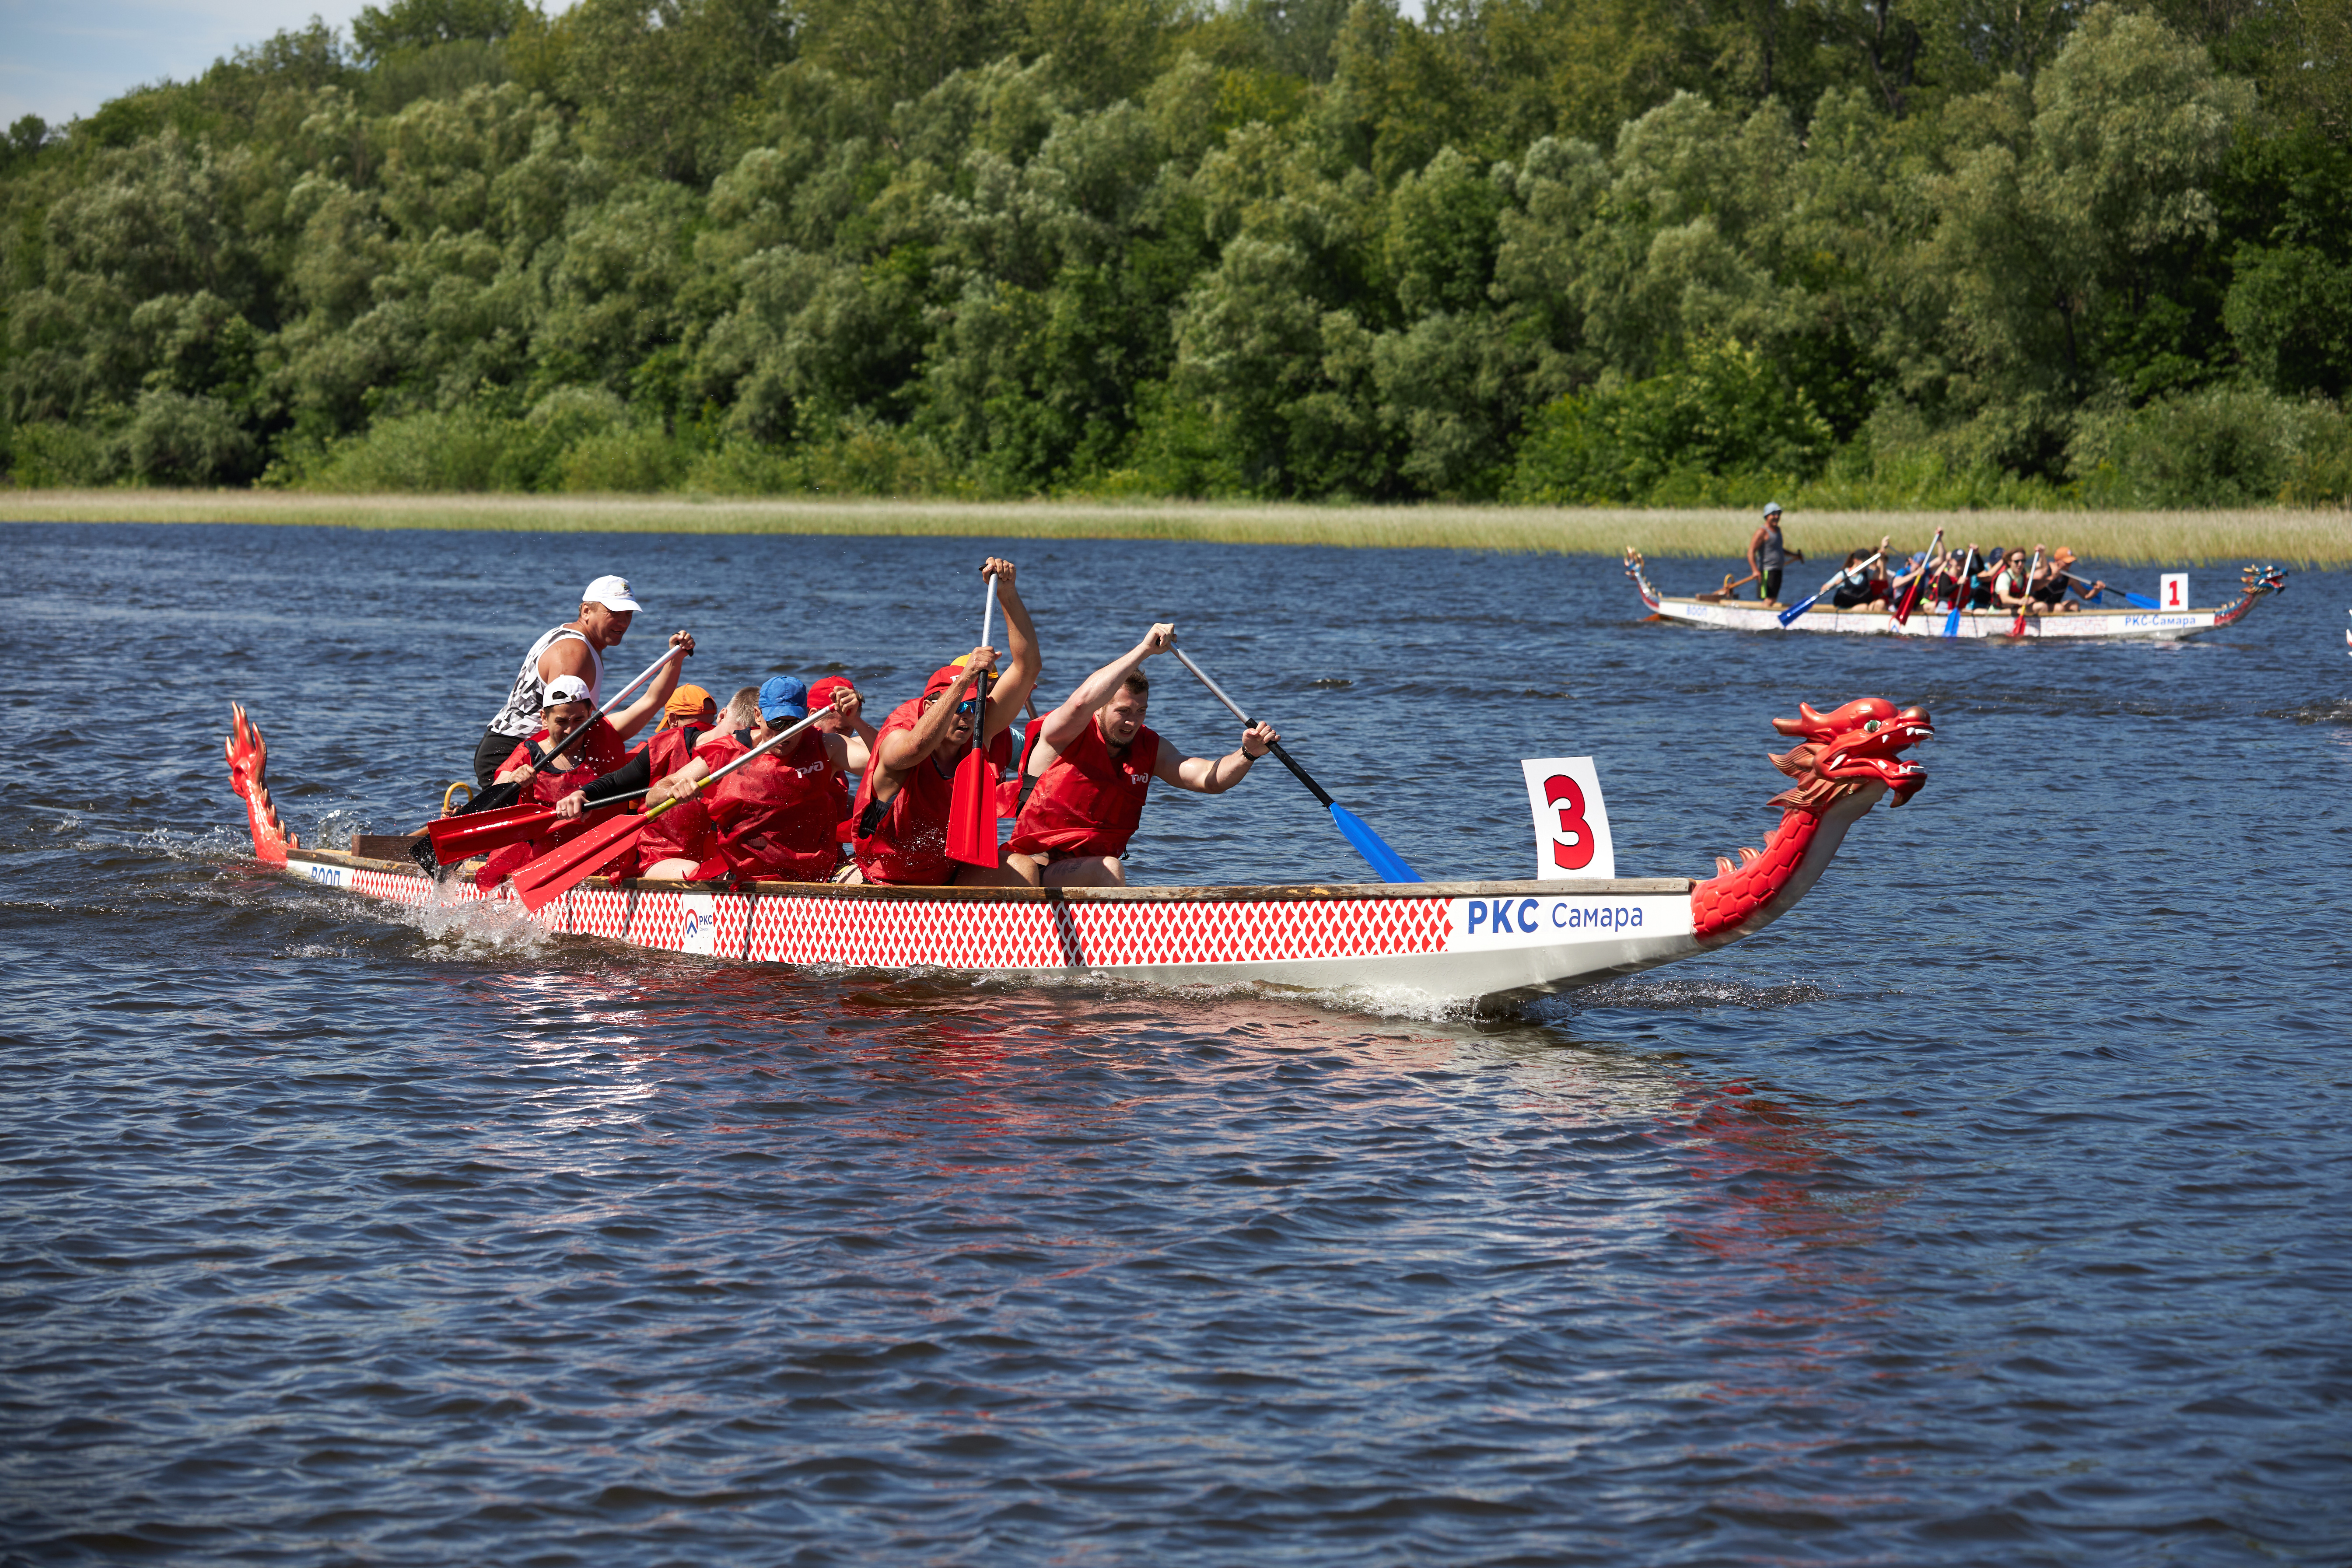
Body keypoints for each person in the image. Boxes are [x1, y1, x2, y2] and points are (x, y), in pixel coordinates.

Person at [1004, 623, 1279, 887]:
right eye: (1123, 711)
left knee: (1108, 868)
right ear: (1099, 708)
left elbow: (1208, 779)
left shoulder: (1148, 746)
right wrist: (1144, 650)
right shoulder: (1062, 734)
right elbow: (1079, 703)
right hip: (1032, 866)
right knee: (1108, 869)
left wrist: (1247, 754)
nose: (1132, 722)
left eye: (1141, 712)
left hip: (1086, 871)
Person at [851, 558, 1040, 887]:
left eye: (975, 707)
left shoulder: (980, 729)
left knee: (1023, 867)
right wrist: (966, 676)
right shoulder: (900, 735)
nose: (968, 715)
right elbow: (914, 750)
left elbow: (1027, 667)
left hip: (949, 874)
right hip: (886, 880)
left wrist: (1008, 594)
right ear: (928, 707)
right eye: (959, 705)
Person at [473, 574, 694, 788]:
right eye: (614, 612)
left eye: (629, 614)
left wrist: (676, 658)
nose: (624, 622)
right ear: (587, 610)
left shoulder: (581, 642)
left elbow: (652, 701)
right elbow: (563, 724)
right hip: (517, 759)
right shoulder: (574, 652)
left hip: (536, 750)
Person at [473, 675, 633, 889]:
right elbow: (496, 792)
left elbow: (652, 700)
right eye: (561, 721)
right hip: (543, 853)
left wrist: (677, 658)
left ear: (590, 716)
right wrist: (514, 779)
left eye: (579, 720)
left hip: (598, 849)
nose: (570, 730)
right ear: (544, 718)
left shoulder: (604, 737)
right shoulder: (529, 754)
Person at [1746, 503, 1803, 605]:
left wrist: (1794, 555)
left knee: (1773, 599)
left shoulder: (1778, 530)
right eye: (1774, 514)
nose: (1777, 517)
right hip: (1767, 571)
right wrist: (1755, 570)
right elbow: (1751, 552)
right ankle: (1760, 618)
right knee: (1769, 599)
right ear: (1767, 516)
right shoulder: (1762, 532)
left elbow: (1779, 550)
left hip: (1778, 570)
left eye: (1779, 514)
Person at [1827, 538, 1893, 609]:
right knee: (1864, 607)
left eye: (1868, 563)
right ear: (1856, 561)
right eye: (1864, 563)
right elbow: (1823, 589)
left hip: (1863, 607)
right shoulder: (1843, 574)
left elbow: (1882, 578)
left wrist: (1882, 559)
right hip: (1847, 608)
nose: (1867, 566)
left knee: (1881, 603)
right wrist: (1835, 584)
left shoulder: (1867, 573)